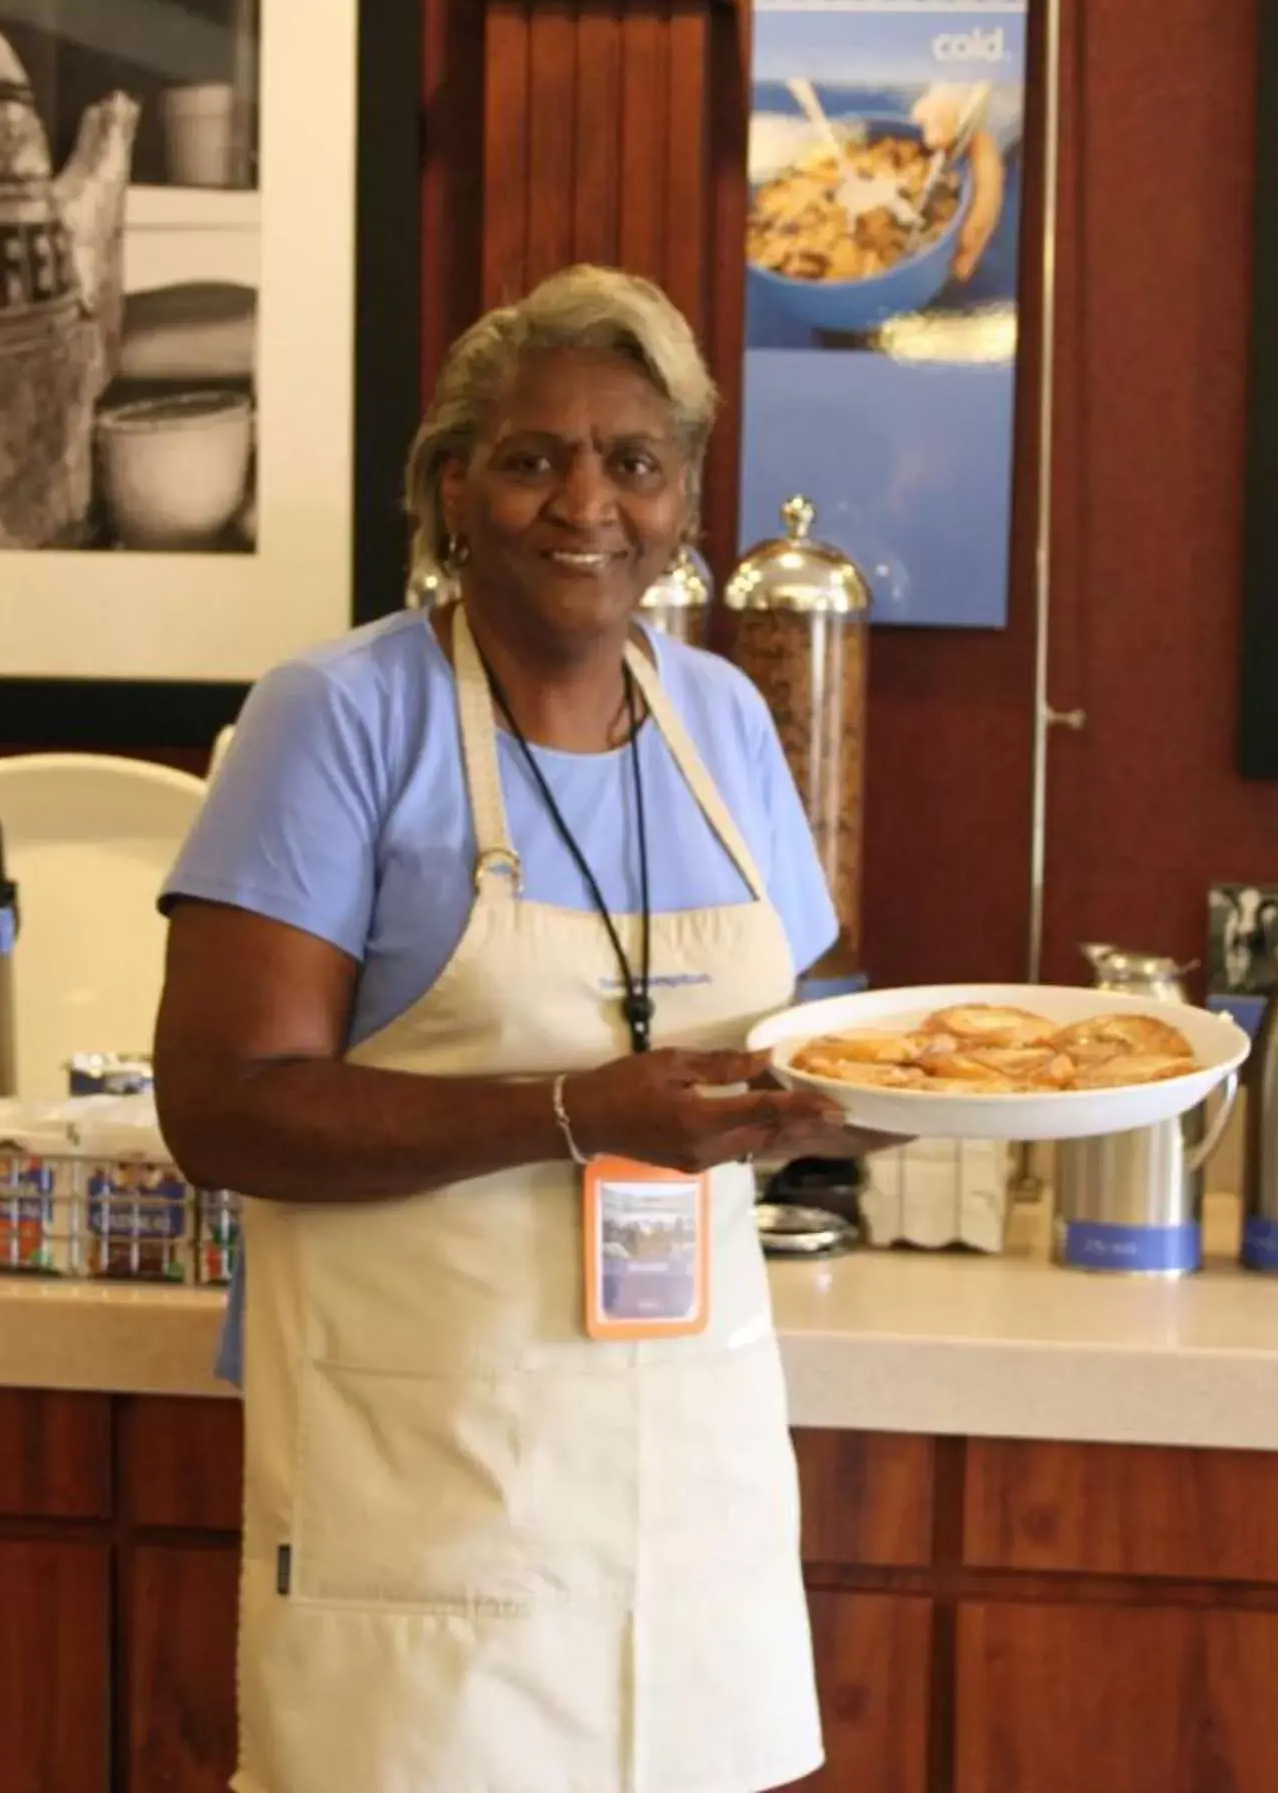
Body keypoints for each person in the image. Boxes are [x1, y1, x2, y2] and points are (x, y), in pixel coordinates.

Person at [155, 263, 895, 1792]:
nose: (587, 502)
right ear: (449, 487)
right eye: (529, 456)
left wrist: (866, 1102)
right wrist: (579, 1112)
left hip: (691, 1478)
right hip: (426, 1492)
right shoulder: (340, 717)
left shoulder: (726, 722)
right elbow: (223, 1108)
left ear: (685, 495)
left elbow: (794, 1051)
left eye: (634, 460)